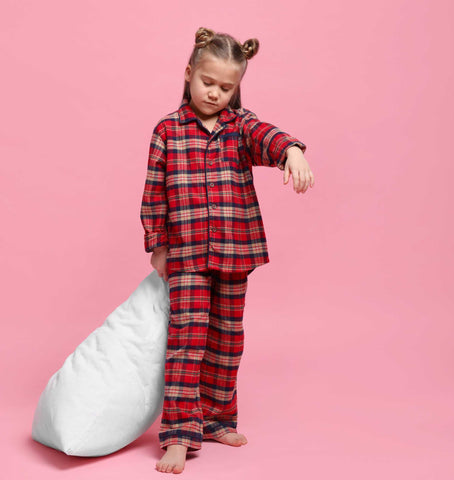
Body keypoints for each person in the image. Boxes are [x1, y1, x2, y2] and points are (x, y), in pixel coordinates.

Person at [140, 26, 314, 474]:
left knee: (227, 340)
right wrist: (157, 246)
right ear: (188, 74)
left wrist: (291, 150)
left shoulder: (241, 127)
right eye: (207, 83)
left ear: (237, 87)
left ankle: (216, 417)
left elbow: (266, 135)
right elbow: (153, 194)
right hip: (187, 254)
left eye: (226, 87)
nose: (215, 93)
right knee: (187, 340)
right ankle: (179, 432)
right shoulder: (167, 131)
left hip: (235, 251)